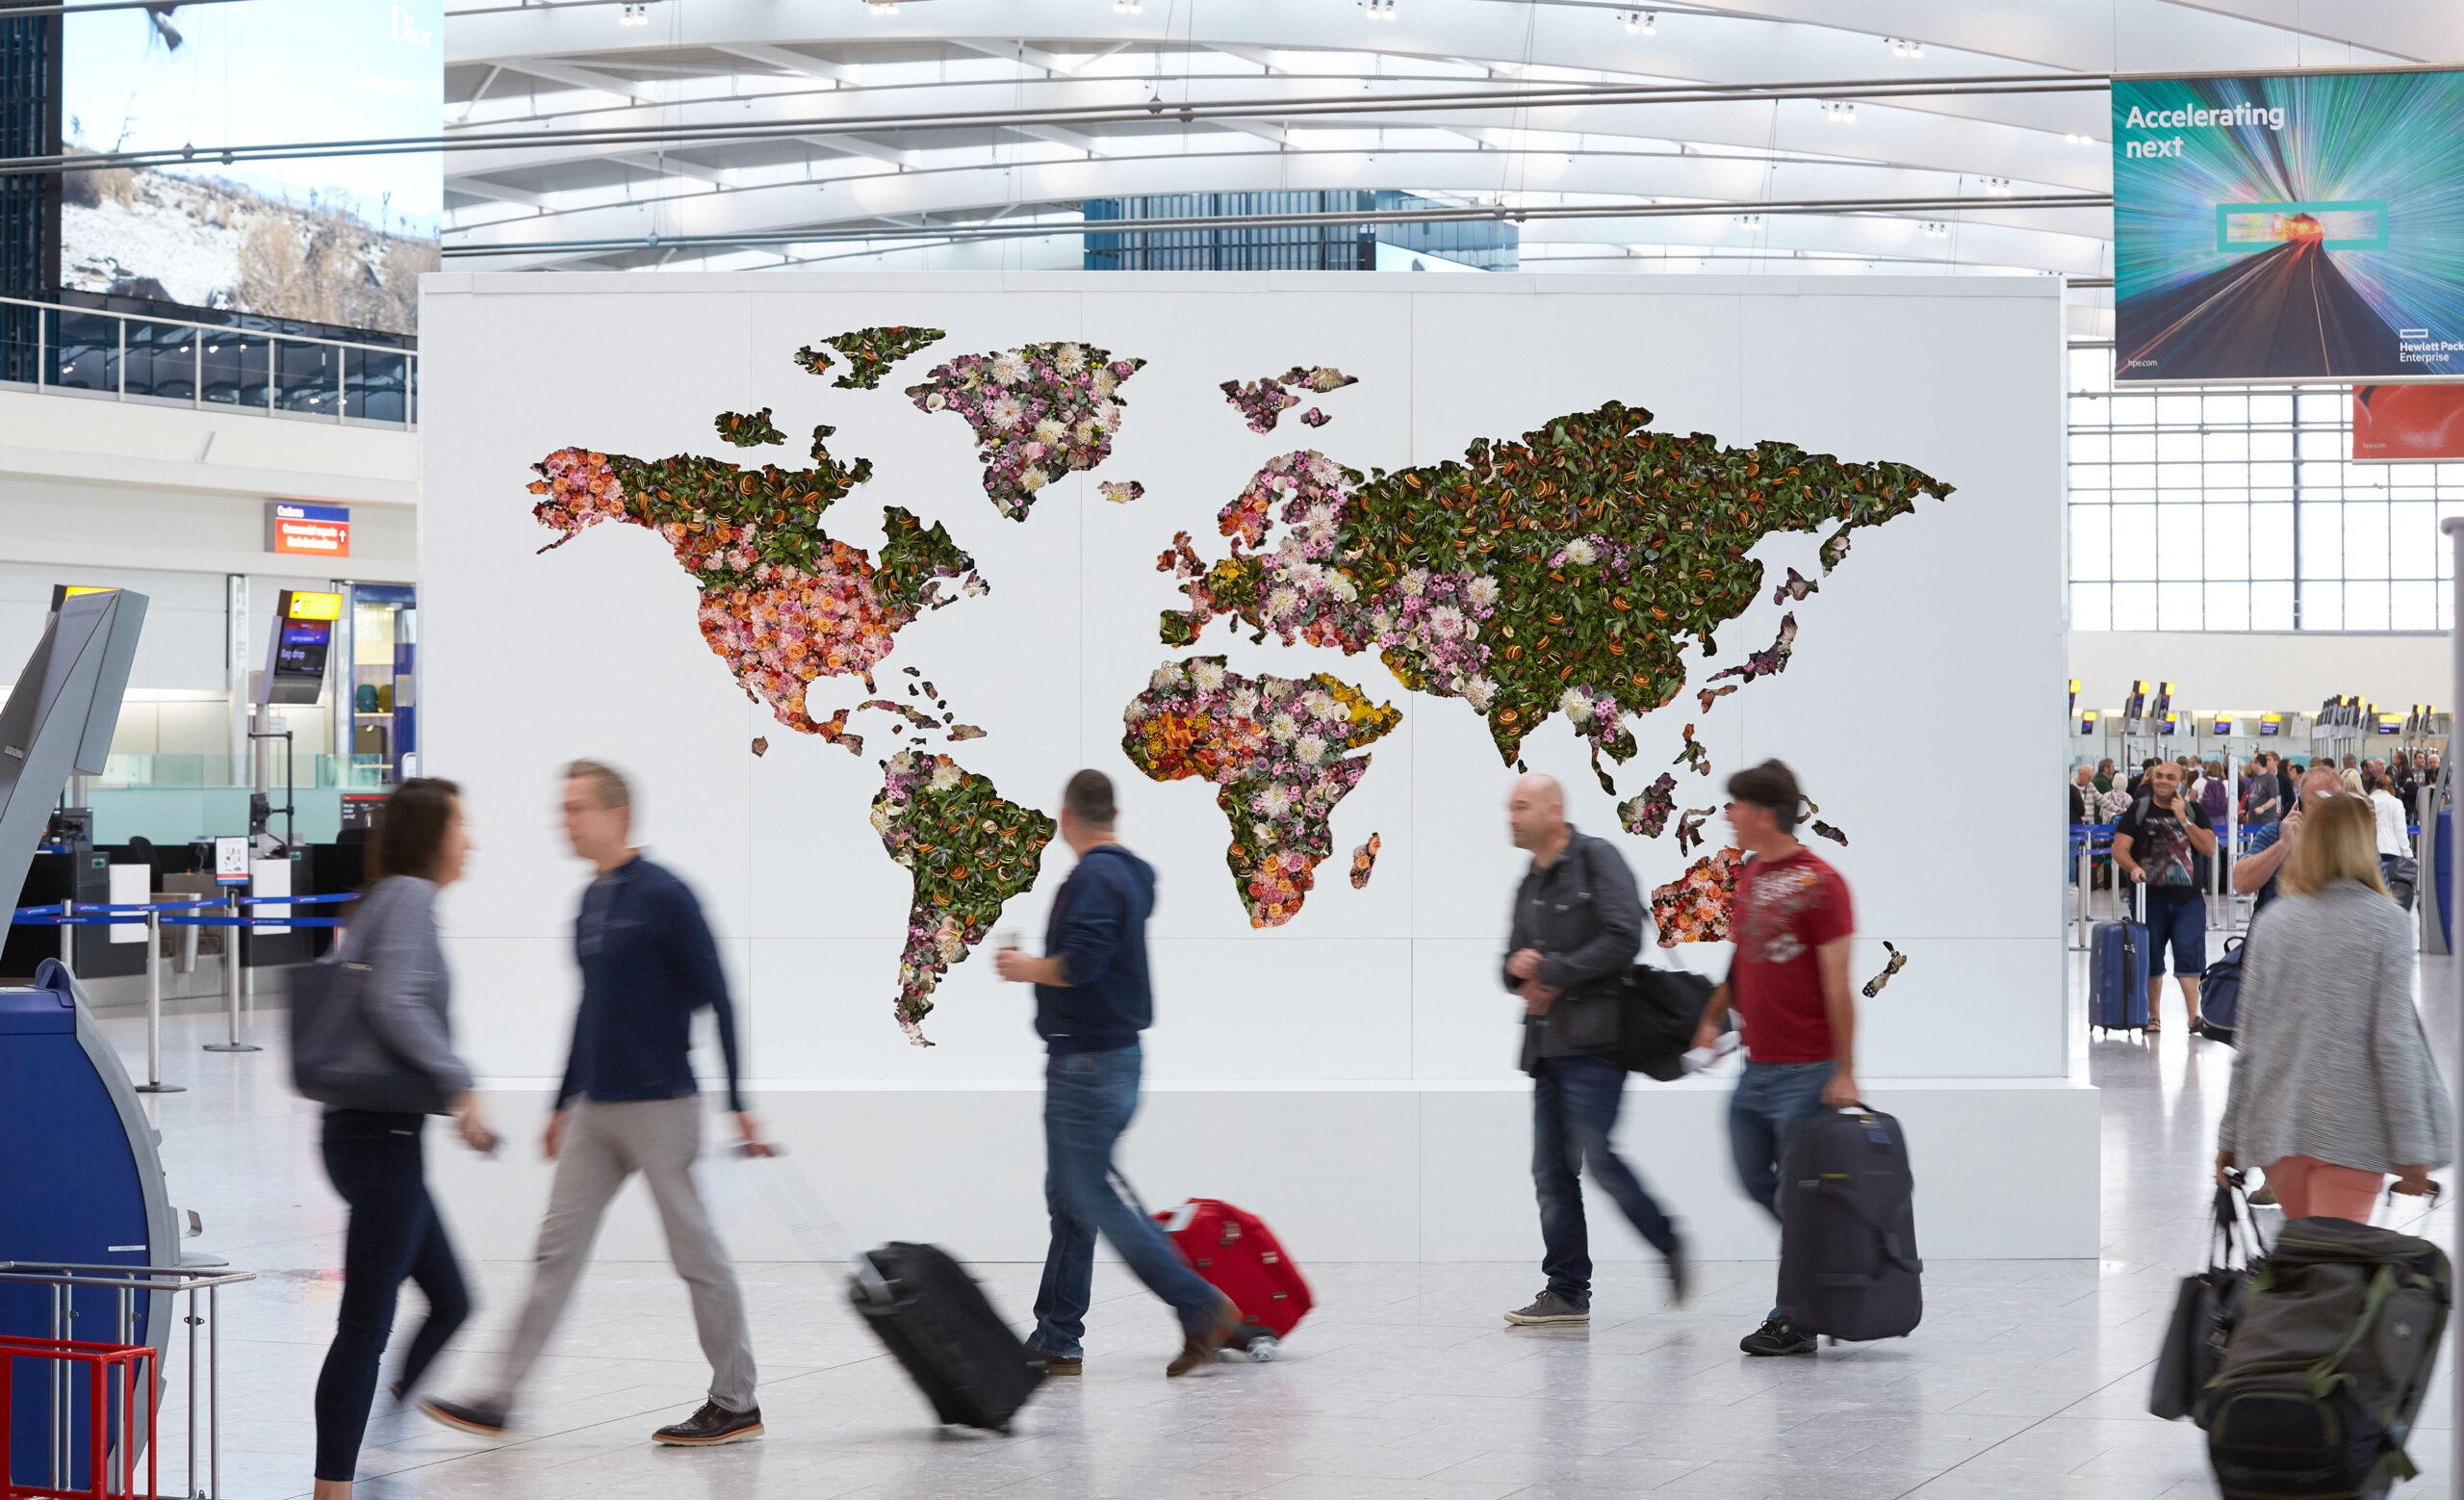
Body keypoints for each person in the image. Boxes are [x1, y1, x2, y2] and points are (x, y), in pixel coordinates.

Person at [424, 762, 768, 1446]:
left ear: (617, 816)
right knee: (555, 1253)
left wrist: (737, 1101)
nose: (565, 821)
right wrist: (559, 1104)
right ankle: (497, 1395)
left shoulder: (666, 896)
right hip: (595, 1112)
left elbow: (720, 996)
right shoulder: (590, 901)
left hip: (663, 1108)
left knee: (695, 1255)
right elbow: (590, 1009)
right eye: (563, 808)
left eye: (576, 808)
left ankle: (736, 1401)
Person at [992, 769, 1239, 1378]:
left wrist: (1026, 967)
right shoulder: (1129, 872)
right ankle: (1056, 1335)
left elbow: (1080, 966)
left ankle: (1200, 1304)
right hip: (1108, 1060)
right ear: (1115, 813)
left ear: (1065, 817)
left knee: (1093, 1198)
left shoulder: (1097, 878)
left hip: (1089, 1065)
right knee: (1072, 1199)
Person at [310, 779, 493, 1500]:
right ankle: (334, 1485)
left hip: (374, 1135)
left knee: (451, 1298)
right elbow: (391, 1000)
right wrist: (459, 1081)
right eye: (462, 826)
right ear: (432, 835)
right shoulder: (410, 898)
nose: (470, 841)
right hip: (381, 1138)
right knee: (365, 1326)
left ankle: (380, 1429)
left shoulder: (383, 897)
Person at [1497, 773, 1689, 1328]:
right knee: (1552, 1173)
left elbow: (1625, 935)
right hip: (1545, 1048)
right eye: (1509, 808)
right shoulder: (1528, 881)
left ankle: (1667, 1240)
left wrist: (1553, 971)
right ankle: (1566, 1292)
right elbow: (1509, 959)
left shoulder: (1597, 859)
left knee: (1599, 1158)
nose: (1511, 817)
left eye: (1522, 807)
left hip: (1597, 1042)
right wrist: (1516, 971)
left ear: (1554, 811)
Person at [1690, 760, 1859, 1358]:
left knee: (1800, 1197)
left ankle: (1795, 1316)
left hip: (1808, 1071)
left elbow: (1838, 984)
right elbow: (1743, 961)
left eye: (1735, 807)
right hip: (1757, 1070)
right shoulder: (1753, 873)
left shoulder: (1823, 883)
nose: (1728, 817)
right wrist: (1713, 1017)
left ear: (1763, 814)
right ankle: (1832, 1264)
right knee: (1755, 1178)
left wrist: (1844, 1069)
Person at [2216, 795, 2450, 1217]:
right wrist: (2412, 1148)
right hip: (2350, 1134)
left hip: (2278, 1134)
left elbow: (2248, 1042)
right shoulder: (2387, 922)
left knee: (2311, 1261)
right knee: (2337, 1266)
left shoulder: (2273, 923)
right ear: (2365, 844)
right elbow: (2393, 1042)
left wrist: (2230, 1137)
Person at [2111, 761, 2217, 1034]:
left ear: (2180, 782)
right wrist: (2133, 867)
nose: (2164, 781)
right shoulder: (2139, 809)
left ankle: (2194, 1016)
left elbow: (2208, 847)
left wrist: (2184, 819)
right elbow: (2119, 848)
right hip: (2149, 900)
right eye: (2160, 776)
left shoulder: (2194, 810)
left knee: (2190, 957)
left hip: (2188, 899)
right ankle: (2153, 1015)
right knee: (2150, 957)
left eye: (2171, 777)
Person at [2235, 764, 2345, 914]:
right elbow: (2241, 883)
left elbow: (2378, 894)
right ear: (2299, 805)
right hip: (2276, 930)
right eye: (2314, 804)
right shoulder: (2274, 833)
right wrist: (2283, 845)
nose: (2322, 812)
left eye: (2330, 804)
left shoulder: (2350, 841)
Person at [2370, 770, 2412, 886]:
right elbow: (2400, 831)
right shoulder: (2396, 803)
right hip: (2391, 850)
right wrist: (2408, 853)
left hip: (2371, 851)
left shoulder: (2367, 800)